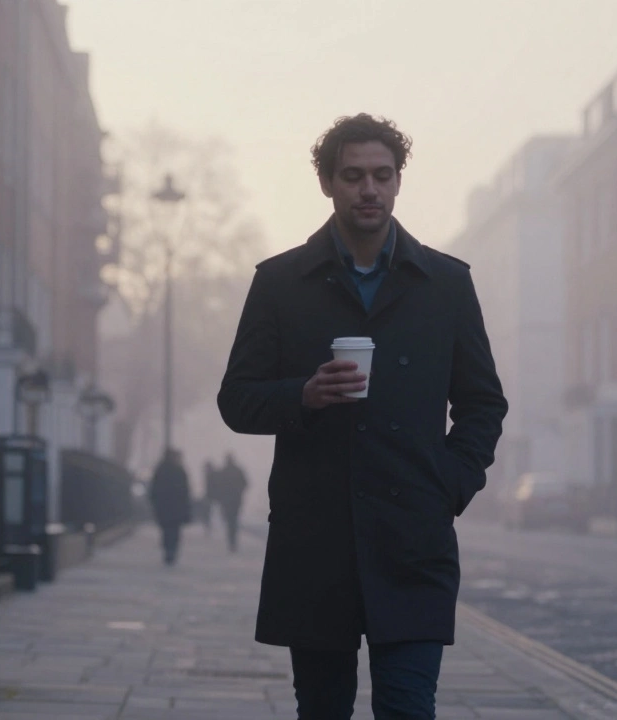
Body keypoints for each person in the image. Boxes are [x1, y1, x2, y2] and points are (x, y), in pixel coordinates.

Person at [217, 114, 507, 720]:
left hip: (412, 541)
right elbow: (237, 399)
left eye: (382, 175)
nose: (368, 189)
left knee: (408, 708)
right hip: (316, 542)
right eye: (353, 176)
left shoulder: (447, 284)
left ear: (399, 182)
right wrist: (304, 394)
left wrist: (449, 484)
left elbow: (483, 403)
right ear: (328, 183)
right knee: (321, 710)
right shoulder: (279, 282)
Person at [148, 448, 192, 566]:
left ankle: (168, 550)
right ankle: (171, 551)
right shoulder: (179, 470)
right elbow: (185, 491)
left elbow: (154, 489)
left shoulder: (160, 469)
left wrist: (154, 502)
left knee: (166, 529)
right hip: (176, 507)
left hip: (164, 506)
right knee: (174, 530)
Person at [214, 452, 249, 553]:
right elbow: (245, 483)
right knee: (233, 521)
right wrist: (239, 491)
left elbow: (217, 486)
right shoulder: (238, 470)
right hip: (235, 500)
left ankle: (231, 541)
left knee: (230, 520)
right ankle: (232, 541)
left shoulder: (223, 471)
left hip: (226, 501)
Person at [200, 460, 217, 536]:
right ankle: (208, 527)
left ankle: (208, 528)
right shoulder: (211, 475)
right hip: (209, 496)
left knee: (207, 513)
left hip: (209, 497)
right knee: (207, 513)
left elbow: (209, 487)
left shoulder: (210, 475)